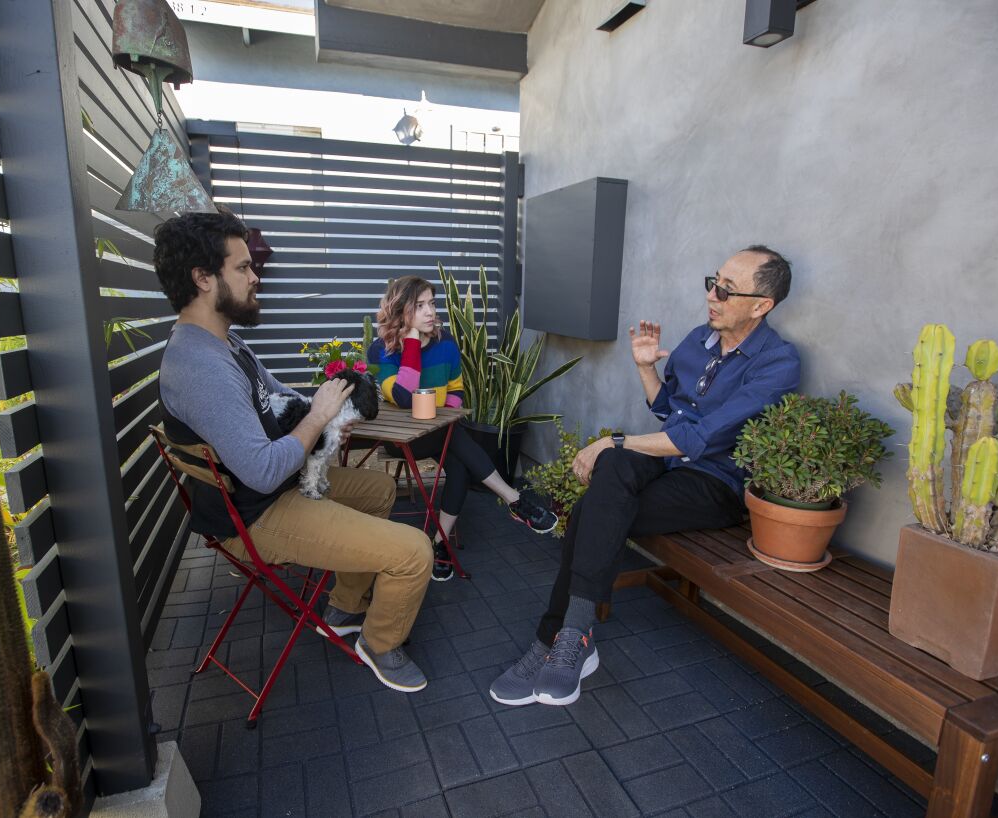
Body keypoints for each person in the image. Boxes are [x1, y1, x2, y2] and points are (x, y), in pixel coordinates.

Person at [489, 246, 801, 707]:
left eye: (727, 291)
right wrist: (646, 368)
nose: (712, 295)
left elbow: (698, 438)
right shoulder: (699, 339)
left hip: (714, 484)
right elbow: (667, 410)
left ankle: (550, 641)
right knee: (610, 482)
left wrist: (613, 441)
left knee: (596, 504)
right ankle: (574, 636)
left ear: (761, 306)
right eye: (712, 282)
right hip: (666, 462)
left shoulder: (777, 364)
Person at [154, 210, 433, 693]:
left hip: (271, 486)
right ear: (203, 279)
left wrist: (327, 412)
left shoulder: (225, 343)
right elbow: (262, 471)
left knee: (381, 487)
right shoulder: (200, 367)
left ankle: (346, 606)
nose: (255, 276)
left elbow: (280, 394)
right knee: (414, 551)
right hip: (257, 512)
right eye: (242, 268)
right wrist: (318, 419)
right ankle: (380, 643)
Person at [369, 275, 558, 581]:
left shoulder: (447, 345)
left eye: (432, 303)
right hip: (405, 439)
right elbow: (403, 397)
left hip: (442, 434)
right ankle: (514, 500)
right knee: (456, 437)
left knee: (458, 459)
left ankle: (440, 543)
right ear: (401, 310)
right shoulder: (381, 351)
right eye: (420, 306)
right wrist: (413, 343)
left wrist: (449, 410)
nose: (431, 311)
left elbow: (456, 390)